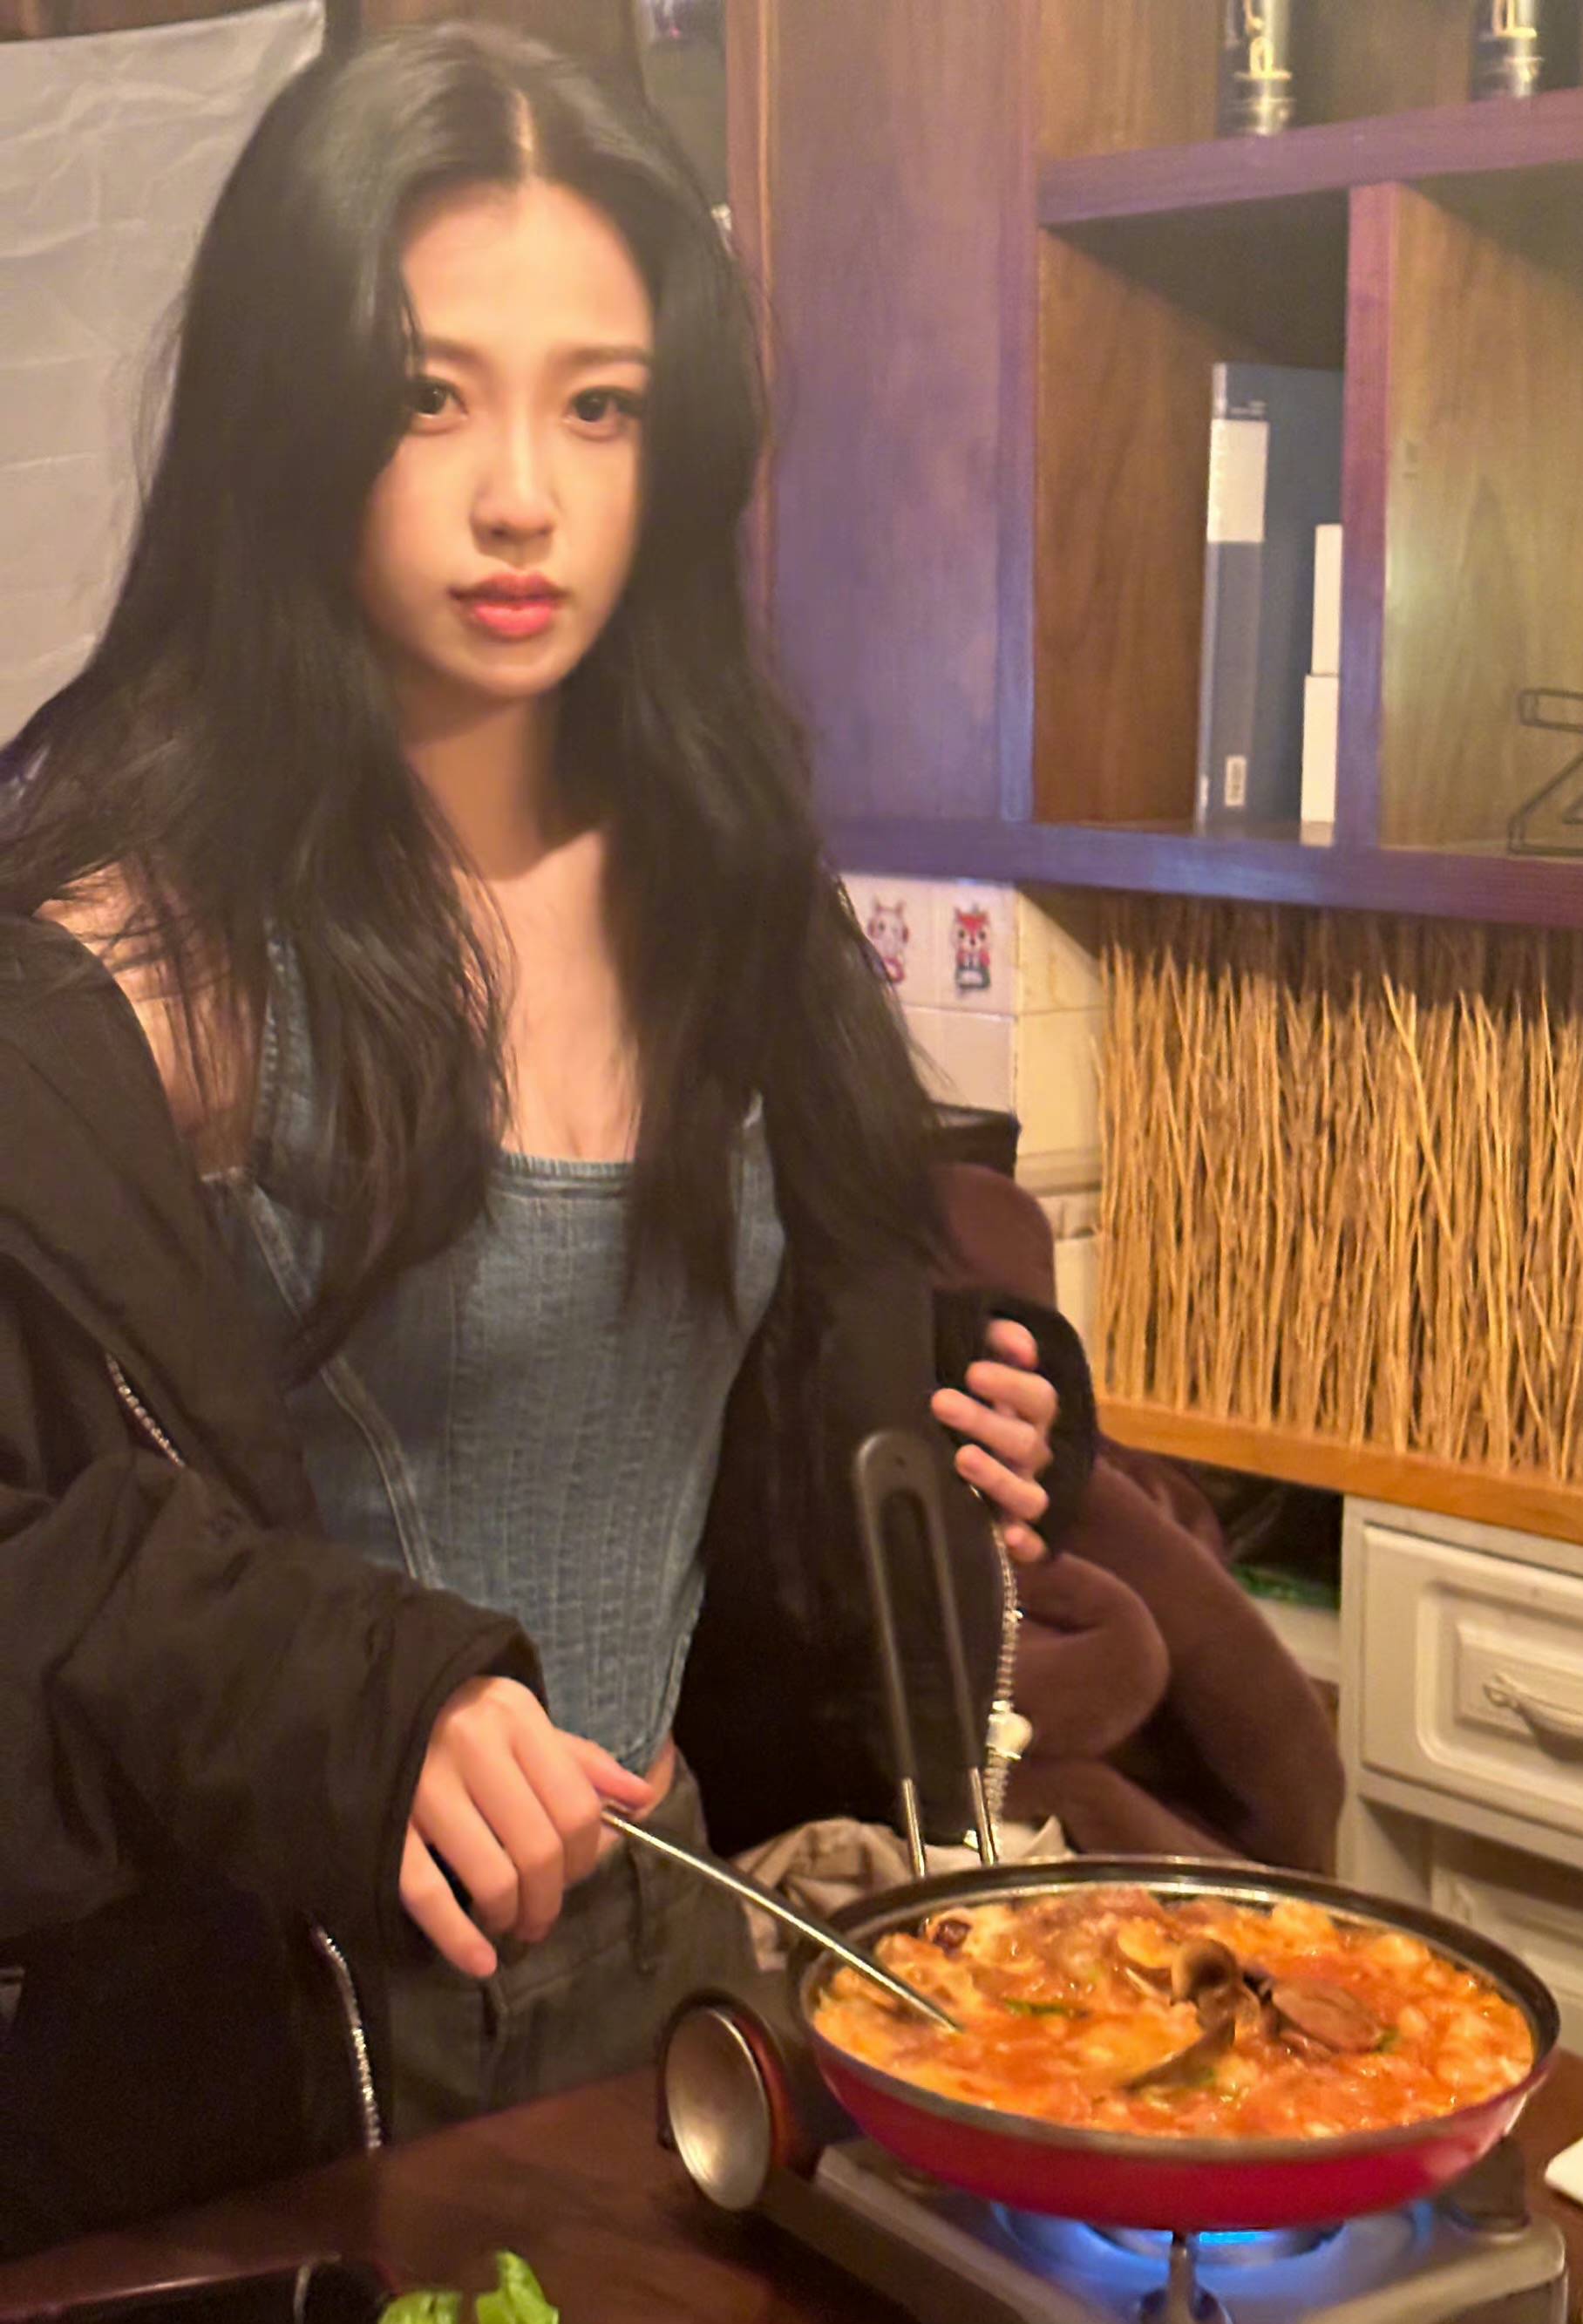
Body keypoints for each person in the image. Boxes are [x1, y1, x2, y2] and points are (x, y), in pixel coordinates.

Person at [0, 23, 1095, 2258]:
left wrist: (969, 1404)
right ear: (295, 417)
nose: (523, 495)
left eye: (597, 405)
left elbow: (764, 1376)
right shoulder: (129, 949)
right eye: (430, 396)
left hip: (675, 1976)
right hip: (286, 2053)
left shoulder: (733, 890)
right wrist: (343, 1694)